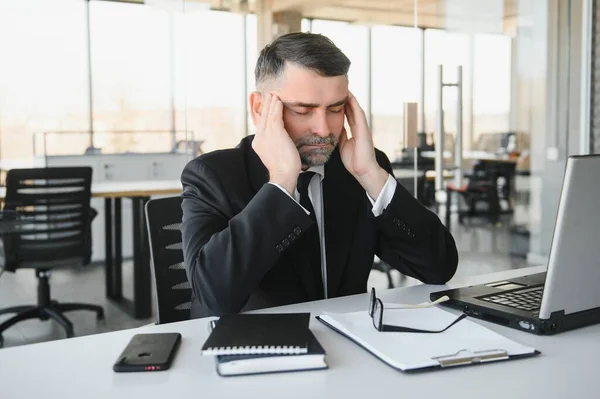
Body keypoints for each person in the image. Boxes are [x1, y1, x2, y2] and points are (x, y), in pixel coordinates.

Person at [181, 32, 458, 318]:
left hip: (350, 347)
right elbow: (214, 297)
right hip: (263, 350)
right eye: (303, 110)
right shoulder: (213, 176)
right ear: (260, 108)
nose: (324, 129)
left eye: (336, 109)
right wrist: (281, 181)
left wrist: (371, 176)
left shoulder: (360, 168)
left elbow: (439, 268)